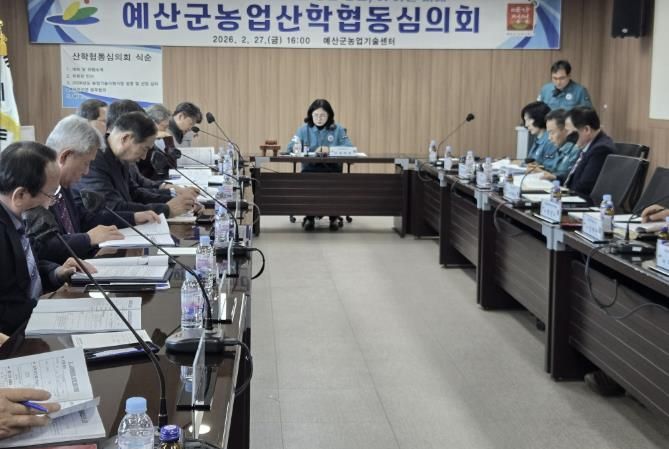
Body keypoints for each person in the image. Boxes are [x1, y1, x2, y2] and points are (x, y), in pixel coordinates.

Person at [25, 115, 160, 263]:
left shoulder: (63, 185)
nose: (87, 172)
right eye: (86, 163)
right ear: (65, 156)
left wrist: (133, 218)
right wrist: (88, 239)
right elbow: (42, 247)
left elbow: (84, 219)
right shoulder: (35, 190)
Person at [0, 142, 94, 335]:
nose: (52, 203)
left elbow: (25, 270)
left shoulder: (19, 215)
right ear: (20, 195)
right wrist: (49, 308)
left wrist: (57, 272)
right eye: (51, 194)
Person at [73, 112, 196, 217]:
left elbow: (134, 193)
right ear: (125, 138)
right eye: (144, 148)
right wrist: (166, 209)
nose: (144, 157)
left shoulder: (120, 156)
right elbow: (112, 208)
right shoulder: (94, 160)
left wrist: (178, 201)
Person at [285, 99, 353, 231]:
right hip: (310, 169)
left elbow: (349, 147)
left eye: (322, 115)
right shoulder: (303, 130)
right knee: (309, 182)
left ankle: (333, 217)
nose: (319, 119)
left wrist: (330, 150)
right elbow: (289, 148)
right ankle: (310, 217)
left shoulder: (338, 129)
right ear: (311, 115)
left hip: (332, 169)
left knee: (334, 183)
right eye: (315, 115)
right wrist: (296, 147)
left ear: (329, 115)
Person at [563, 107, 614, 198]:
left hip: (583, 201)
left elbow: (584, 186)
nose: (567, 136)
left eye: (569, 131)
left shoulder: (601, 149)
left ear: (586, 130)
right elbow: (573, 178)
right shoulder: (588, 145)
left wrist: (563, 194)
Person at [538, 109, 580, 182]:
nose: (549, 138)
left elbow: (569, 179)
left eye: (552, 133)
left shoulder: (576, 151)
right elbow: (553, 172)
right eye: (548, 133)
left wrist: (552, 176)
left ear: (566, 130)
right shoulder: (558, 148)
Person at [521, 101, 557, 165]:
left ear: (539, 117)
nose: (526, 125)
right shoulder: (538, 139)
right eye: (525, 120)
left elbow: (548, 168)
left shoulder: (550, 141)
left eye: (529, 120)